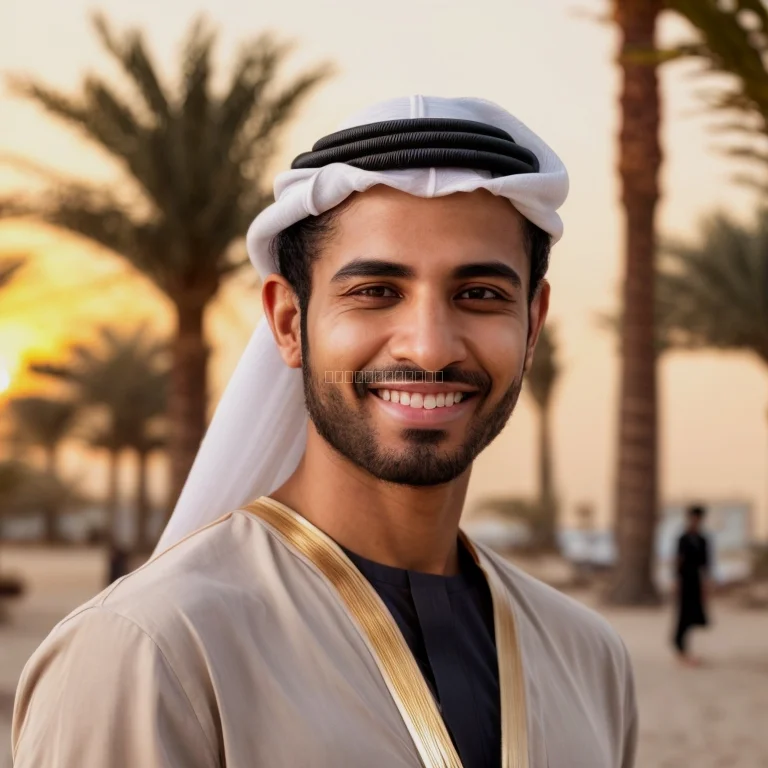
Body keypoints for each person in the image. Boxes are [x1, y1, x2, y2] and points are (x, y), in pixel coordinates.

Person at [12, 96, 637, 768]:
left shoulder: (588, 658)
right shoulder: (153, 650)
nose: (428, 348)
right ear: (287, 322)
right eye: (375, 291)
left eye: (479, 294)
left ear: (533, 324)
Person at [673, 504, 712, 666]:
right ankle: (681, 649)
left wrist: (706, 583)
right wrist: (676, 581)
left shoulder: (703, 540)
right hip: (685, 581)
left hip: (696, 581)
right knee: (683, 615)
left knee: (693, 616)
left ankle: (686, 650)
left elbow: (706, 564)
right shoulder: (683, 539)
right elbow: (678, 561)